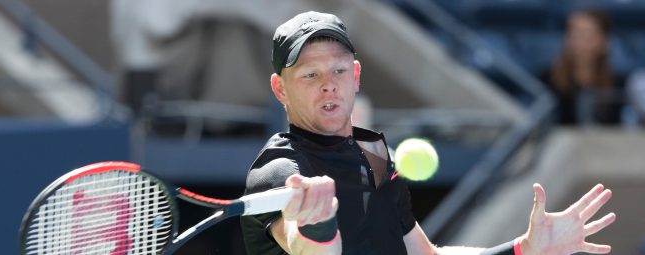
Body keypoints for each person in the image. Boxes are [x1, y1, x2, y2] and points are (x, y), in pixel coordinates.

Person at [241, 11, 616, 255]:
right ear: (280, 89)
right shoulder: (278, 171)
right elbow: (307, 247)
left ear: (355, 77)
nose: (328, 85)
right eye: (310, 75)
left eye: (338, 71)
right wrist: (316, 222)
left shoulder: (372, 154)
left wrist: (522, 249)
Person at [548, 10, 619, 126]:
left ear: (604, 41)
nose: (579, 41)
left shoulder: (617, 85)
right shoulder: (548, 81)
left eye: (587, 35)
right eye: (573, 34)